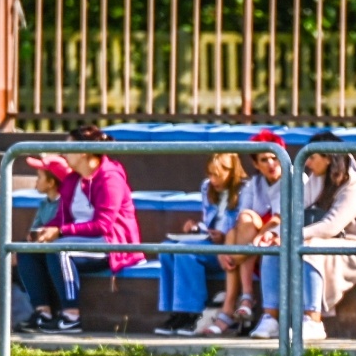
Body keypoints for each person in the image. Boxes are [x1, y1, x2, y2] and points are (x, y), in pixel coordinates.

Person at [251, 131, 356, 344]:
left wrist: (290, 236)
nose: (308, 163)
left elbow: (331, 226)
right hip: (322, 243)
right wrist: (273, 234)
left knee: (310, 247)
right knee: (274, 248)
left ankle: (313, 320)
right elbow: (294, 213)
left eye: (312, 157)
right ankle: (271, 318)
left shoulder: (354, 187)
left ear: (328, 158)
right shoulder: (315, 180)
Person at [45, 123, 143, 298]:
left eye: (68, 148)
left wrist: (60, 232)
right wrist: (44, 232)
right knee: (28, 251)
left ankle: (70, 311)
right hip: (77, 240)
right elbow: (62, 218)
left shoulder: (110, 178)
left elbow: (103, 226)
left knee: (60, 251)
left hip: (109, 245)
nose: (64, 154)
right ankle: (42, 309)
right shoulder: (72, 180)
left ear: (83, 151)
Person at [156, 152, 247, 336]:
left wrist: (224, 237)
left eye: (217, 175)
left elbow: (242, 225)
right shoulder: (207, 187)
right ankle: (177, 312)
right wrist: (197, 227)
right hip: (210, 242)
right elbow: (210, 221)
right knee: (166, 249)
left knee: (185, 252)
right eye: (210, 174)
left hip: (229, 247)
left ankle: (193, 313)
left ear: (231, 172)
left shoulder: (245, 189)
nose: (213, 180)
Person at [211, 129, 287, 335]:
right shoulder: (254, 184)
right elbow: (241, 219)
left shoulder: (294, 179)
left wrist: (234, 252)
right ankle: (242, 299)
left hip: (279, 239)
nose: (271, 164)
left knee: (243, 238)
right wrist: (225, 248)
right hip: (254, 243)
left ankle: (233, 306)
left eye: (275, 157)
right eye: (264, 160)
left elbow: (280, 219)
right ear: (255, 164)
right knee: (243, 222)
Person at [15, 154, 82, 334]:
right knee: (24, 252)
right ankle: (42, 312)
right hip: (45, 249)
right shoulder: (45, 204)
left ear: (51, 183)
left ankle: (70, 315)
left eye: (39, 177)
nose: (36, 181)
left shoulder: (65, 204)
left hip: (60, 250)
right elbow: (34, 231)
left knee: (54, 251)